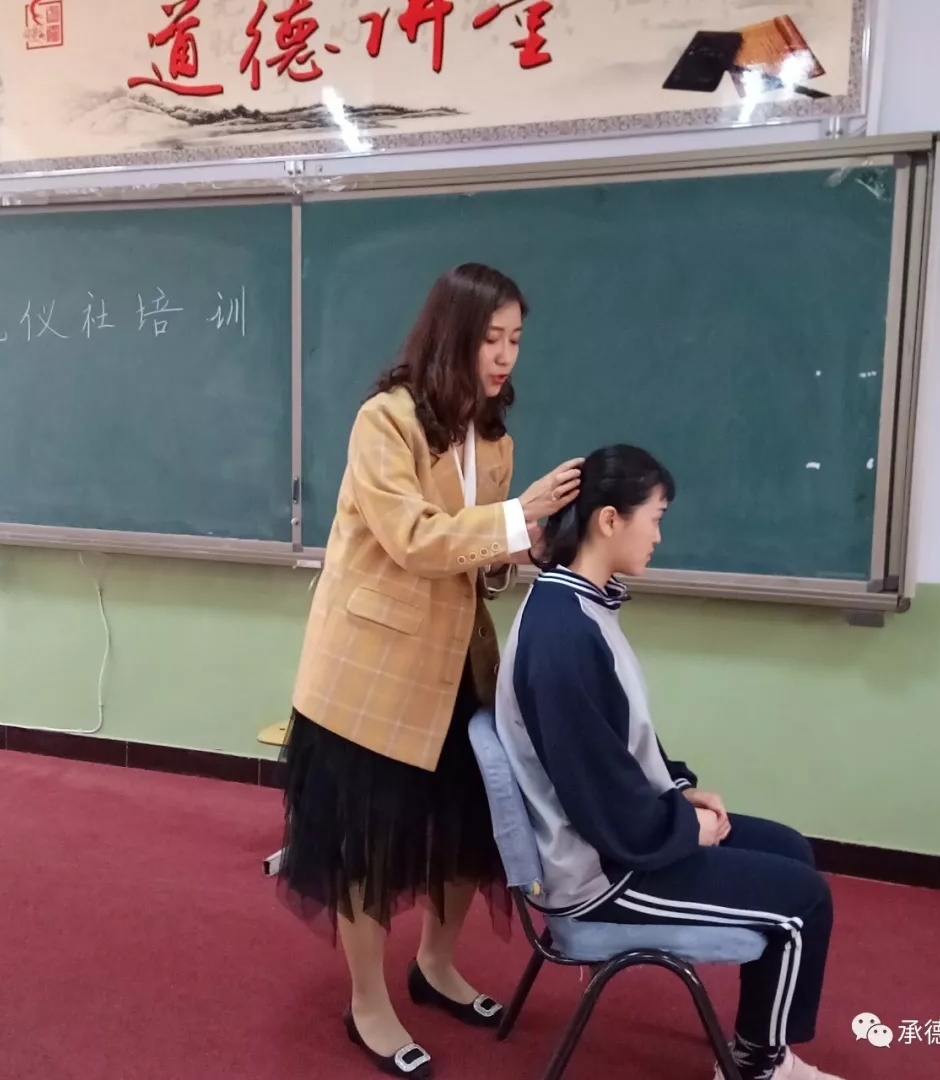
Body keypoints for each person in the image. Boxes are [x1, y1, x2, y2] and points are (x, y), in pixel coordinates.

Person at [278, 263, 582, 1078]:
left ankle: (436, 966)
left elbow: (476, 559)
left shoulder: (495, 437)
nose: (505, 356)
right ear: (454, 335)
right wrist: (516, 517)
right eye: (491, 339)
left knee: (466, 832)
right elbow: (413, 538)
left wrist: (521, 549)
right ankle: (367, 1003)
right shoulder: (386, 421)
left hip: (459, 666)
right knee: (368, 845)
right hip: (371, 673)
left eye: (516, 339)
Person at [494, 445, 843, 1080]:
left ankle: (754, 1048)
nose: (658, 536)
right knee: (804, 903)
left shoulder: (582, 606)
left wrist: (679, 791)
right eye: (654, 519)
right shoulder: (563, 634)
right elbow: (600, 799)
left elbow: (620, 743)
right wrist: (685, 831)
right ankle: (760, 1066)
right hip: (605, 874)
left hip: (620, 837)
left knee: (790, 850)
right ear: (608, 520)